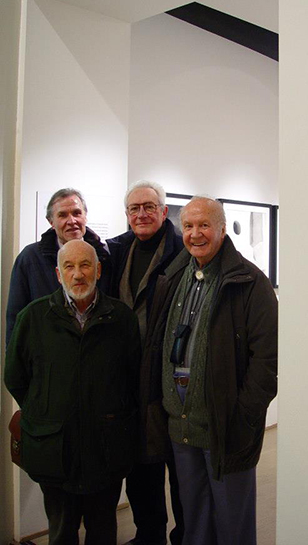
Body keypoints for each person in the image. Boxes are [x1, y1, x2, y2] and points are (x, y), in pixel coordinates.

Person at [143, 196, 278, 545]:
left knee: (233, 522)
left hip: (226, 426)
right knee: (194, 518)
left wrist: (243, 414)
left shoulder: (250, 283)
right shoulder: (173, 277)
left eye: (204, 225)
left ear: (221, 228)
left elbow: (268, 360)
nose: (195, 234)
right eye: (188, 226)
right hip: (182, 427)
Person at [4, 240, 141, 545]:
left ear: (99, 270)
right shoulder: (33, 318)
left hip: (106, 447)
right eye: (69, 266)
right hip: (54, 450)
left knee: (103, 530)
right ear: (58, 274)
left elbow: (133, 379)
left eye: (85, 265)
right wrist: (45, 410)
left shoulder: (121, 318)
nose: (78, 274)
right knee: (62, 531)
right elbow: (15, 377)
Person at [107, 180, 184, 545]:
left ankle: (185, 535)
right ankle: (148, 535)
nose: (142, 214)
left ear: (164, 211)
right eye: (134, 208)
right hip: (129, 381)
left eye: (149, 207)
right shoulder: (117, 252)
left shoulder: (182, 251)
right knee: (141, 468)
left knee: (181, 470)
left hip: (171, 376)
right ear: (126, 215)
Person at [6, 187, 109, 347]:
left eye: (76, 213)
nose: (72, 221)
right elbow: (15, 318)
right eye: (62, 215)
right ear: (51, 222)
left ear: (85, 217)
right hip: (46, 356)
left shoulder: (103, 255)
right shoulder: (30, 259)